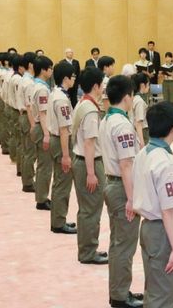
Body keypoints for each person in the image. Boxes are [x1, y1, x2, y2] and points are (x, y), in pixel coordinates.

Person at [132, 101, 173, 308]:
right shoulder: (165, 162)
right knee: (163, 295)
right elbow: (168, 210)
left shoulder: (143, 153)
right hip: (163, 231)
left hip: (148, 228)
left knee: (153, 289)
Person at [99, 75, 143, 308]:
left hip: (112, 183)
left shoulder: (107, 119)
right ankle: (119, 296)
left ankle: (120, 290)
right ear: (127, 97)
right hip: (121, 187)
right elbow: (126, 164)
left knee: (118, 244)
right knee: (124, 245)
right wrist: (132, 198)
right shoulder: (122, 124)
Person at [72, 66, 108, 265]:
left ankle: (88, 248)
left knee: (86, 209)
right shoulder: (91, 110)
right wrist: (91, 173)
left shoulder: (82, 103)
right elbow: (89, 143)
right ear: (95, 86)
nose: (103, 88)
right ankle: (88, 252)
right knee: (91, 210)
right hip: (89, 163)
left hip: (83, 162)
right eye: (102, 85)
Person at [47, 62, 77, 234]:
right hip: (60, 142)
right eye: (72, 76)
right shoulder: (62, 100)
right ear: (65, 78)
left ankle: (59, 218)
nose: (74, 79)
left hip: (56, 140)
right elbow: (64, 129)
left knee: (59, 182)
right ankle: (58, 222)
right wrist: (66, 155)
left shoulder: (56, 94)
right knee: (62, 183)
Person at [31, 55, 54, 211]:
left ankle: (42, 196)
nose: (52, 71)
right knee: (45, 166)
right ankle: (42, 198)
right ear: (44, 70)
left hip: (39, 125)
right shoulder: (42, 89)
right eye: (50, 68)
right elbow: (43, 113)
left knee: (43, 165)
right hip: (43, 126)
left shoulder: (37, 86)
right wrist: (47, 134)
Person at [18, 52, 37, 193]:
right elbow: (29, 106)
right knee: (30, 152)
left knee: (27, 151)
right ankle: (28, 182)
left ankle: (27, 180)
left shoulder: (24, 79)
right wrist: (33, 125)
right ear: (30, 64)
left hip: (23, 115)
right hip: (28, 116)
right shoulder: (29, 82)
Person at [8, 54, 25, 176]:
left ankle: (20, 166)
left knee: (18, 138)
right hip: (17, 111)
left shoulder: (13, 77)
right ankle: (20, 168)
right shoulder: (18, 80)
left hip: (13, 108)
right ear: (20, 67)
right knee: (21, 141)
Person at [130, 73, 150, 146]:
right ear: (142, 85)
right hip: (142, 131)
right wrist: (142, 142)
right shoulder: (139, 101)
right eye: (148, 84)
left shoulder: (133, 97)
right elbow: (139, 123)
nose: (149, 87)